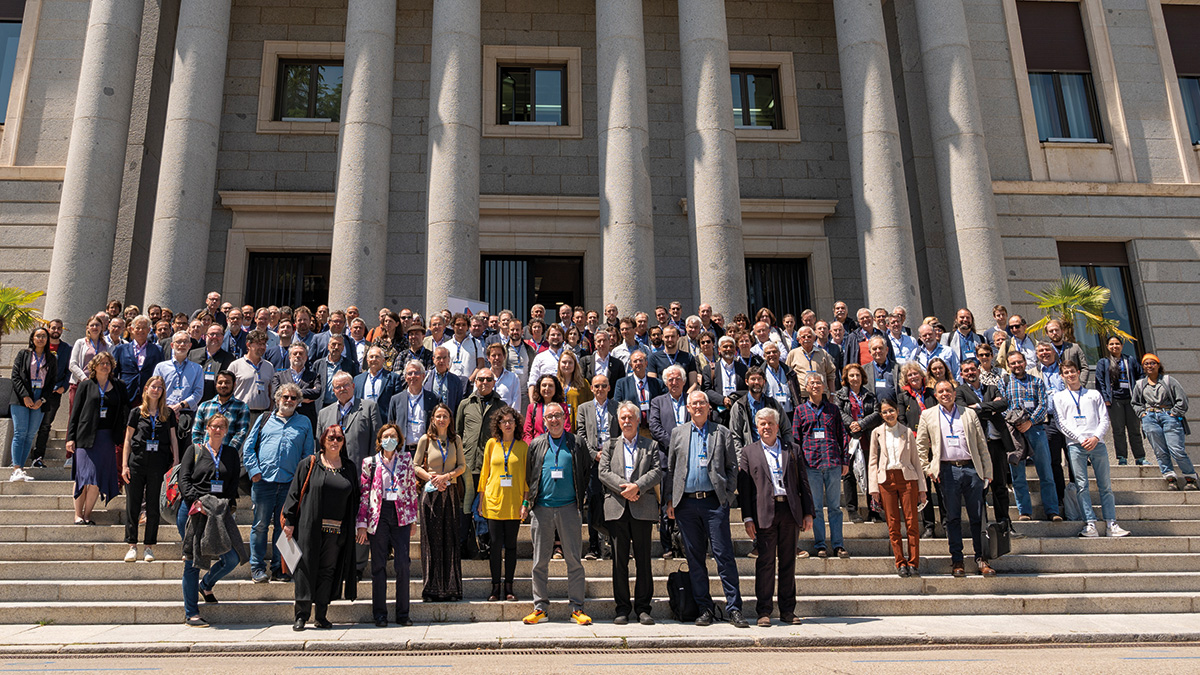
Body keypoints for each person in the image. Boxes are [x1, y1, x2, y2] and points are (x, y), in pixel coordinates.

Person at [665, 391, 746, 627]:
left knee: (724, 556)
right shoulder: (678, 433)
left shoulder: (721, 433)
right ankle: (704, 608)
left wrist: (727, 497)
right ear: (687, 408)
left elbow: (732, 467)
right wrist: (671, 500)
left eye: (702, 403)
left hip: (714, 503)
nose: (698, 406)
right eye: (693, 404)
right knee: (695, 558)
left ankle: (734, 608)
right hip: (687, 504)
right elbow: (671, 470)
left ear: (709, 407)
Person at [739, 407, 814, 626]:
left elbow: (804, 483)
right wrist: (747, 518)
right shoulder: (749, 452)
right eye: (762, 424)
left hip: (789, 511)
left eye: (770, 423)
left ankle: (788, 610)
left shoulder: (792, 449)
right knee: (765, 562)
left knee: (788, 562)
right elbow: (745, 489)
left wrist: (808, 512)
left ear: (778, 425)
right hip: (763, 513)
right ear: (757, 427)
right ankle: (764, 611)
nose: (767, 427)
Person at [282, 425, 361, 631]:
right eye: (331, 438)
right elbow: (294, 493)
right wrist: (289, 522)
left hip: (337, 531)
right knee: (305, 570)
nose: (335, 442)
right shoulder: (309, 463)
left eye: (339, 439)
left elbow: (356, 498)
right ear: (323, 441)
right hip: (309, 527)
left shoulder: (349, 467)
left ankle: (321, 615)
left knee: (328, 572)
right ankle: (301, 616)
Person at [522, 402, 593, 626]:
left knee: (574, 560)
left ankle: (577, 608)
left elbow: (585, 470)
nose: (554, 420)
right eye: (550, 416)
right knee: (539, 561)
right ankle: (540, 608)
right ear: (544, 421)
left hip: (569, 508)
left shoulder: (576, 443)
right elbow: (530, 473)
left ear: (565, 418)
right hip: (542, 508)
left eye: (558, 416)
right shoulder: (536, 444)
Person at [916, 380, 995, 578]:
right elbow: (921, 446)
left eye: (948, 391)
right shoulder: (928, 414)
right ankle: (957, 560)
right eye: (941, 391)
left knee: (977, 517)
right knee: (952, 518)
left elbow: (981, 443)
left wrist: (987, 471)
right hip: (947, 472)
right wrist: (928, 469)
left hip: (971, 469)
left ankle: (981, 558)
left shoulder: (968, 413)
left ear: (954, 393)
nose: (945, 394)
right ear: (936, 395)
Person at [599, 401, 664, 625]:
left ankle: (644, 608)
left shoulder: (651, 445)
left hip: (642, 508)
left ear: (638, 420)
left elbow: (657, 471)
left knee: (643, 560)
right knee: (619, 561)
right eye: (623, 418)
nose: (626, 421)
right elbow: (603, 472)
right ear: (618, 420)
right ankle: (622, 608)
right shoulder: (609, 445)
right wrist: (625, 489)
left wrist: (638, 486)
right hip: (617, 509)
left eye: (630, 418)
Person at [244, 383, 315, 583]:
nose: (289, 401)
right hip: (263, 481)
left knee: (283, 527)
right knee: (259, 526)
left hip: (289, 485)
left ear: (298, 402)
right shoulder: (264, 419)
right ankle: (257, 567)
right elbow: (249, 447)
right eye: (286, 397)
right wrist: (254, 471)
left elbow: (308, 455)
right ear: (277, 399)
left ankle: (279, 568)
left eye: (294, 398)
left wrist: (301, 482)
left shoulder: (304, 422)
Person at [178, 413, 244, 626]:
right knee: (192, 563)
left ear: (226, 431)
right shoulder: (194, 450)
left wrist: (224, 504)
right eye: (213, 426)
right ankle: (191, 613)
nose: (217, 430)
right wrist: (196, 502)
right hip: (194, 511)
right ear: (206, 428)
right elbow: (184, 479)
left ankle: (206, 584)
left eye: (221, 427)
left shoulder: (231, 453)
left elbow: (234, 482)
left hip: (218, 512)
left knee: (232, 558)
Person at [1053, 360, 1130, 538]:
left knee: (1106, 486)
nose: (1070, 375)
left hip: (1098, 444)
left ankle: (1111, 523)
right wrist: (1080, 439)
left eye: (1072, 371)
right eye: (1066, 373)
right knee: (1081, 486)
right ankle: (1090, 523)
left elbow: (1104, 419)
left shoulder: (1094, 394)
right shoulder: (1059, 397)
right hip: (1075, 445)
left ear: (1079, 372)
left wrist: (1095, 437)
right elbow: (1060, 422)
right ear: (1062, 376)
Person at [357, 424, 420, 626]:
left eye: (393, 436)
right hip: (379, 514)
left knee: (403, 564)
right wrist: (362, 523)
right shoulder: (370, 463)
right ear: (380, 440)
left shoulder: (405, 460)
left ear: (399, 439)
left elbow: (411, 489)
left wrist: (412, 519)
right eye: (386, 436)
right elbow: (364, 495)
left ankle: (403, 613)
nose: (389, 439)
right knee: (378, 566)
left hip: (400, 514)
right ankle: (380, 614)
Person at [792, 371, 850, 559]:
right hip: (811, 465)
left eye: (819, 383)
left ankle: (838, 544)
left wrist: (845, 460)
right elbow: (795, 440)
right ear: (806, 388)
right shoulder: (800, 411)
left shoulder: (833, 409)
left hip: (832, 462)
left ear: (824, 387)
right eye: (812, 383)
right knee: (816, 508)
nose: (816, 386)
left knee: (835, 508)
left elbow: (842, 435)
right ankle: (820, 544)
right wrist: (798, 466)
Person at [121, 375, 179, 563]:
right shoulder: (136, 413)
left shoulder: (167, 413)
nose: (156, 390)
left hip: (159, 464)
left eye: (160, 388)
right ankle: (132, 545)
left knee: (153, 506)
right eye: (153, 387)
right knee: (133, 505)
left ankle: (149, 547)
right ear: (146, 389)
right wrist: (124, 465)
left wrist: (175, 462)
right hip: (137, 462)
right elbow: (128, 440)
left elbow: (173, 439)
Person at [413, 403, 465, 601]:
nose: (441, 419)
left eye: (445, 416)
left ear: (450, 419)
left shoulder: (456, 440)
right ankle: (431, 589)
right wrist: (432, 478)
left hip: (450, 492)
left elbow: (462, 466)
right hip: (431, 493)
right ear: (433, 419)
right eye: (438, 416)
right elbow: (415, 465)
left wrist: (448, 477)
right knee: (431, 541)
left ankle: (451, 589)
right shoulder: (425, 440)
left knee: (450, 540)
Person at [66, 352, 126, 522]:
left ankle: (87, 515)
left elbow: (125, 409)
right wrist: (70, 438)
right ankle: (77, 515)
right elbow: (75, 414)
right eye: (101, 363)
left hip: (106, 438)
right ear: (94, 366)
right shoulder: (86, 385)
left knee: (96, 478)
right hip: (85, 437)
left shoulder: (119, 385)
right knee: (84, 476)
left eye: (108, 363)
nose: (105, 366)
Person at [957, 358, 1014, 533]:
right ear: (962, 374)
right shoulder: (960, 391)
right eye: (966, 371)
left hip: (997, 444)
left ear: (979, 370)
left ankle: (1005, 523)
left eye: (973, 369)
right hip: (978, 446)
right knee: (980, 487)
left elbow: (1003, 404)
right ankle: (982, 526)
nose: (970, 373)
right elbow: (963, 410)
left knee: (1000, 486)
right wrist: (991, 407)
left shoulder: (991, 388)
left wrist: (980, 406)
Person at [868, 399, 924, 576]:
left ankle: (914, 561)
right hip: (886, 479)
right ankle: (900, 562)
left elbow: (916, 460)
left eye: (891, 410)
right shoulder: (876, 433)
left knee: (911, 522)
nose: (888, 414)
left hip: (907, 477)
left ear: (897, 411)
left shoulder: (906, 432)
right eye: (884, 412)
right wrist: (873, 488)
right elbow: (873, 461)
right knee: (893, 524)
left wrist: (922, 489)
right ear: (881, 414)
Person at [1004, 351, 1063, 521]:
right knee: (1018, 473)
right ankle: (1024, 511)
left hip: (1036, 429)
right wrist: (1015, 421)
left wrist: (1030, 421)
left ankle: (1052, 510)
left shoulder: (1036, 381)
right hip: (1014, 431)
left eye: (1019, 362)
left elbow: (1043, 404)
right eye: (1013, 363)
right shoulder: (1005, 382)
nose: (1017, 365)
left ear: (1025, 362)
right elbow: (1002, 405)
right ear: (1008, 365)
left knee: (1046, 472)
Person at [477, 406, 528, 601]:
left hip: (514, 503)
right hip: (493, 500)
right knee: (496, 546)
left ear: (516, 424)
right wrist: (481, 501)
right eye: (503, 421)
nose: (507, 424)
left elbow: (526, 478)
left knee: (512, 547)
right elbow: (484, 473)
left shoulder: (523, 446)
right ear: (498, 424)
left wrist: (525, 503)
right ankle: (495, 586)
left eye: (511, 421)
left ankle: (509, 586)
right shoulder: (492, 444)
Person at [456, 369, 505, 560]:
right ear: (475, 381)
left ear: (494, 382)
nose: (484, 382)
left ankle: (487, 545)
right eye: (480, 379)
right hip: (468, 465)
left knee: (487, 506)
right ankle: (464, 545)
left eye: (488, 379)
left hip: (490, 466)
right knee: (466, 507)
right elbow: (458, 433)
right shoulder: (465, 404)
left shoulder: (501, 406)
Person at [1132, 353, 1194, 490]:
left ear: (1158, 365)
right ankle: (1170, 477)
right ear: (1143, 367)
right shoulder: (1140, 384)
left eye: (1152, 363)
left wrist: (1174, 413)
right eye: (1146, 364)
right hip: (1150, 418)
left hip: (1168, 416)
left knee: (1176, 449)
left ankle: (1191, 477)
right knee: (1160, 451)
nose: (1149, 366)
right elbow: (1135, 402)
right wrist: (1142, 414)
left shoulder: (1168, 381)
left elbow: (1182, 400)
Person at [576, 374, 620, 561]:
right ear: (592, 388)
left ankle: (614, 544)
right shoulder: (583, 408)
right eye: (597, 386)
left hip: (613, 462)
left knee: (614, 502)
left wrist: (610, 455)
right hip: (593, 463)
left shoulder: (617, 407)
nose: (600, 389)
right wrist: (594, 454)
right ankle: (594, 546)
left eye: (604, 385)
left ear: (609, 388)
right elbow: (581, 434)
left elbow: (622, 432)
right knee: (594, 502)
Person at [896, 361, 940, 538]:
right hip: (916, 445)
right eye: (909, 375)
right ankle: (929, 525)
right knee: (924, 488)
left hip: (936, 444)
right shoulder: (903, 397)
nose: (913, 377)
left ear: (922, 375)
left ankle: (946, 521)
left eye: (916, 373)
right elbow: (901, 419)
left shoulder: (932, 393)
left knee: (941, 485)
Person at [8, 327, 57, 481]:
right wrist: (25, 396)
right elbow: (15, 377)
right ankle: (16, 468)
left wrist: (41, 400)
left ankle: (21, 469)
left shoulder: (52, 359)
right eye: (38, 336)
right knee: (20, 432)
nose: (41, 338)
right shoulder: (24, 354)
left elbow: (51, 383)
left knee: (30, 435)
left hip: (39, 398)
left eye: (44, 336)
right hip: (21, 398)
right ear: (33, 338)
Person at [837, 363, 883, 524]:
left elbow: (878, 413)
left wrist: (861, 424)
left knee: (872, 475)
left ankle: (874, 510)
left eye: (857, 375)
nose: (854, 378)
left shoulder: (869, 395)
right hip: (849, 439)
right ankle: (852, 510)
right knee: (849, 476)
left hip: (866, 439)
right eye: (851, 375)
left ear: (862, 377)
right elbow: (839, 412)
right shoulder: (840, 396)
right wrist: (852, 423)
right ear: (846, 378)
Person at [1095, 336, 1146, 466]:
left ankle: (1140, 457)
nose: (1114, 346)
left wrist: (1138, 392)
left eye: (1117, 344)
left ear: (1121, 346)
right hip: (1114, 400)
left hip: (1131, 399)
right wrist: (1105, 399)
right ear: (1107, 346)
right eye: (1111, 344)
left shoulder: (1130, 360)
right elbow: (1099, 382)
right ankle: (1122, 457)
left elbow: (1140, 375)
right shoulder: (1103, 362)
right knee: (1118, 430)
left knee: (1134, 429)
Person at [318, 372, 382, 469]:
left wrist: (372, 467)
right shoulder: (323, 413)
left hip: (361, 470)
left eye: (346, 385)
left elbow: (376, 440)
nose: (342, 389)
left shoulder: (369, 407)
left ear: (353, 386)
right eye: (338, 387)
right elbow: (320, 445)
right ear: (334, 390)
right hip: (331, 470)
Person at [30, 319, 71, 469]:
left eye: (59, 328)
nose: (56, 330)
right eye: (53, 327)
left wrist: (63, 387)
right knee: (31, 424)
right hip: (35, 391)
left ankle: (38, 457)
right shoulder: (40, 346)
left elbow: (69, 370)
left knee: (46, 425)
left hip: (54, 394)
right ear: (48, 329)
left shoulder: (66, 348)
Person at [153, 332, 205, 449]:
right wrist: (168, 408)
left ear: (190, 345)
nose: (182, 344)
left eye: (185, 342)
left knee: (184, 451)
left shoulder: (197, 369)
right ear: (172, 345)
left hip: (187, 415)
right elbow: (155, 390)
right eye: (178, 342)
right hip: (163, 413)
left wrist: (180, 406)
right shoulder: (161, 367)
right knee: (164, 449)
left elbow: (198, 393)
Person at [388, 361, 439, 452]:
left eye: (416, 373)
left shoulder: (434, 399)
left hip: (426, 451)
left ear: (423, 376)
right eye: (409, 373)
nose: (413, 376)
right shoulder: (396, 399)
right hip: (402, 451)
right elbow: (391, 426)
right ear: (406, 377)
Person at [613, 350, 666, 434]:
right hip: (632, 430)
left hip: (653, 430)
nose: (638, 363)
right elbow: (617, 406)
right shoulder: (622, 384)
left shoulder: (657, 383)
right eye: (635, 361)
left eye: (641, 360)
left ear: (646, 363)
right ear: (631, 365)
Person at [69, 315, 109, 417]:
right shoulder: (80, 342)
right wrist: (84, 379)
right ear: (87, 327)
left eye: (97, 325)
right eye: (92, 325)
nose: (95, 327)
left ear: (102, 327)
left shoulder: (107, 345)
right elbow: (72, 364)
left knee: (92, 416)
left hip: (99, 385)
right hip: (80, 384)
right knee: (76, 415)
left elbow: (110, 364)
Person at [229, 330, 275, 418]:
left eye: (264, 344)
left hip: (263, 415)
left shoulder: (269, 366)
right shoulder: (235, 365)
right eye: (258, 344)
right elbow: (229, 391)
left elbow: (270, 391)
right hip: (240, 414)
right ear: (248, 345)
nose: (262, 347)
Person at [704, 335, 747, 426]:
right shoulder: (710, 369)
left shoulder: (743, 368)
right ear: (719, 349)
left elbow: (747, 389)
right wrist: (722, 400)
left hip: (738, 412)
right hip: (718, 414)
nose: (728, 349)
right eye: (725, 346)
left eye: (731, 346)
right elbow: (706, 390)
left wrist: (733, 399)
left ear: (735, 349)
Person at [189, 323, 235, 403]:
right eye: (212, 334)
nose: (214, 337)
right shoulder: (193, 354)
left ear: (223, 337)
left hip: (217, 403)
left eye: (218, 334)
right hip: (194, 402)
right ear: (206, 336)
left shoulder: (229, 358)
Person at [784, 326, 837, 392]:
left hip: (821, 394)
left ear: (814, 338)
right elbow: (787, 375)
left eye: (809, 336)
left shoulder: (823, 353)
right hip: (802, 395)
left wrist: (832, 393)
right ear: (798, 340)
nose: (806, 339)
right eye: (803, 337)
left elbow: (830, 374)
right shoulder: (793, 354)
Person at [524, 374, 572, 440]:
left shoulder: (563, 407)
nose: (547, 388)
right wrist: (531, 447)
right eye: (544, 385)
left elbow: (567, 429)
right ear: (539, 388)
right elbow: (527, 432)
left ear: (556, 388)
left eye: (551, 386)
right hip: (537, 445)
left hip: (558, 445)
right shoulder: (532, 407)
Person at [356, 346, 401, 414]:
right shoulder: (357, 379)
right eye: (371, 357)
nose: (374, 359)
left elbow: (398, 402)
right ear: (367, 360)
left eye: (377, 357)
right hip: (363, 420)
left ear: (383, 360)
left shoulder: (393, 378)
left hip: (384, 420)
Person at [425, 346, 467, 413]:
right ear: (433, 359)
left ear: (449, 359)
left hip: (448, 419)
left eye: (444, 358)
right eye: (439, 358)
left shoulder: (456, 380)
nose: (442, 361)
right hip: (430, 419)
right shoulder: (425, 377)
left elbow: (458, 405)